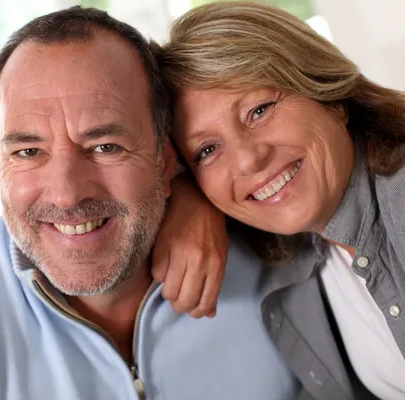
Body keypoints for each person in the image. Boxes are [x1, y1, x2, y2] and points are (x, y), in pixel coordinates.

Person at [0, 7, 299, 400]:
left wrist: (197, 195)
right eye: (27, 151)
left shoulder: (265, 241)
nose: (66, 193)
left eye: (105, 146)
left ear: (165, 153)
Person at [157, 2, 405, 400]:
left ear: (330, 95)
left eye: (259, 110)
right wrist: (188, 200)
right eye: (206, 150)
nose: (248, 159)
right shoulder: (296, 265)